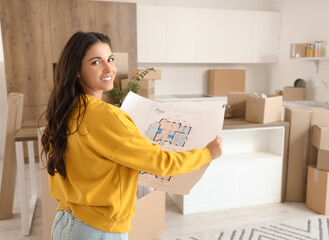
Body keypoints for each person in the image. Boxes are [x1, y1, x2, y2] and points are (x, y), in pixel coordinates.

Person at [41, 31, 223, 240]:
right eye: (95, 62)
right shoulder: (105, 115)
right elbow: (162, 163)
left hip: (65, 223)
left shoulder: (65, 111)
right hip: (96, 229)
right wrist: (207, 153)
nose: (109, 68)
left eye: (110, 59)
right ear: (77, 71)